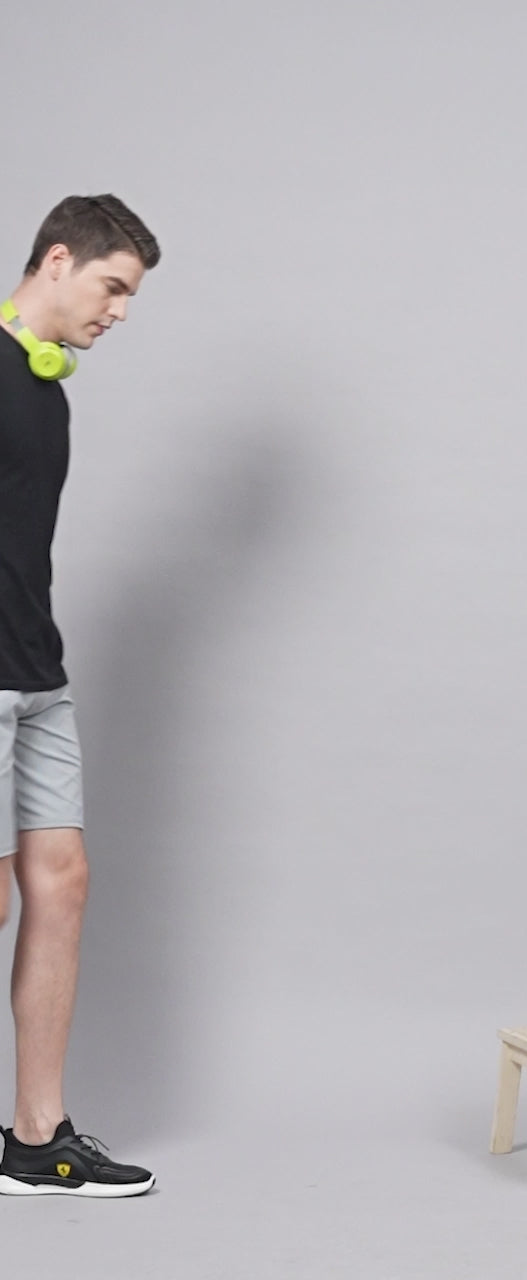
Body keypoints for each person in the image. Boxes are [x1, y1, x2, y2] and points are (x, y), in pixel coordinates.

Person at [0, 195, 160, 1197]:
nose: (121, 312)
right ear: (57, 260)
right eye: (114, 287)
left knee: (61, 884)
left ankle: (35, 1137)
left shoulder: (46, 387)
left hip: (37, 675)